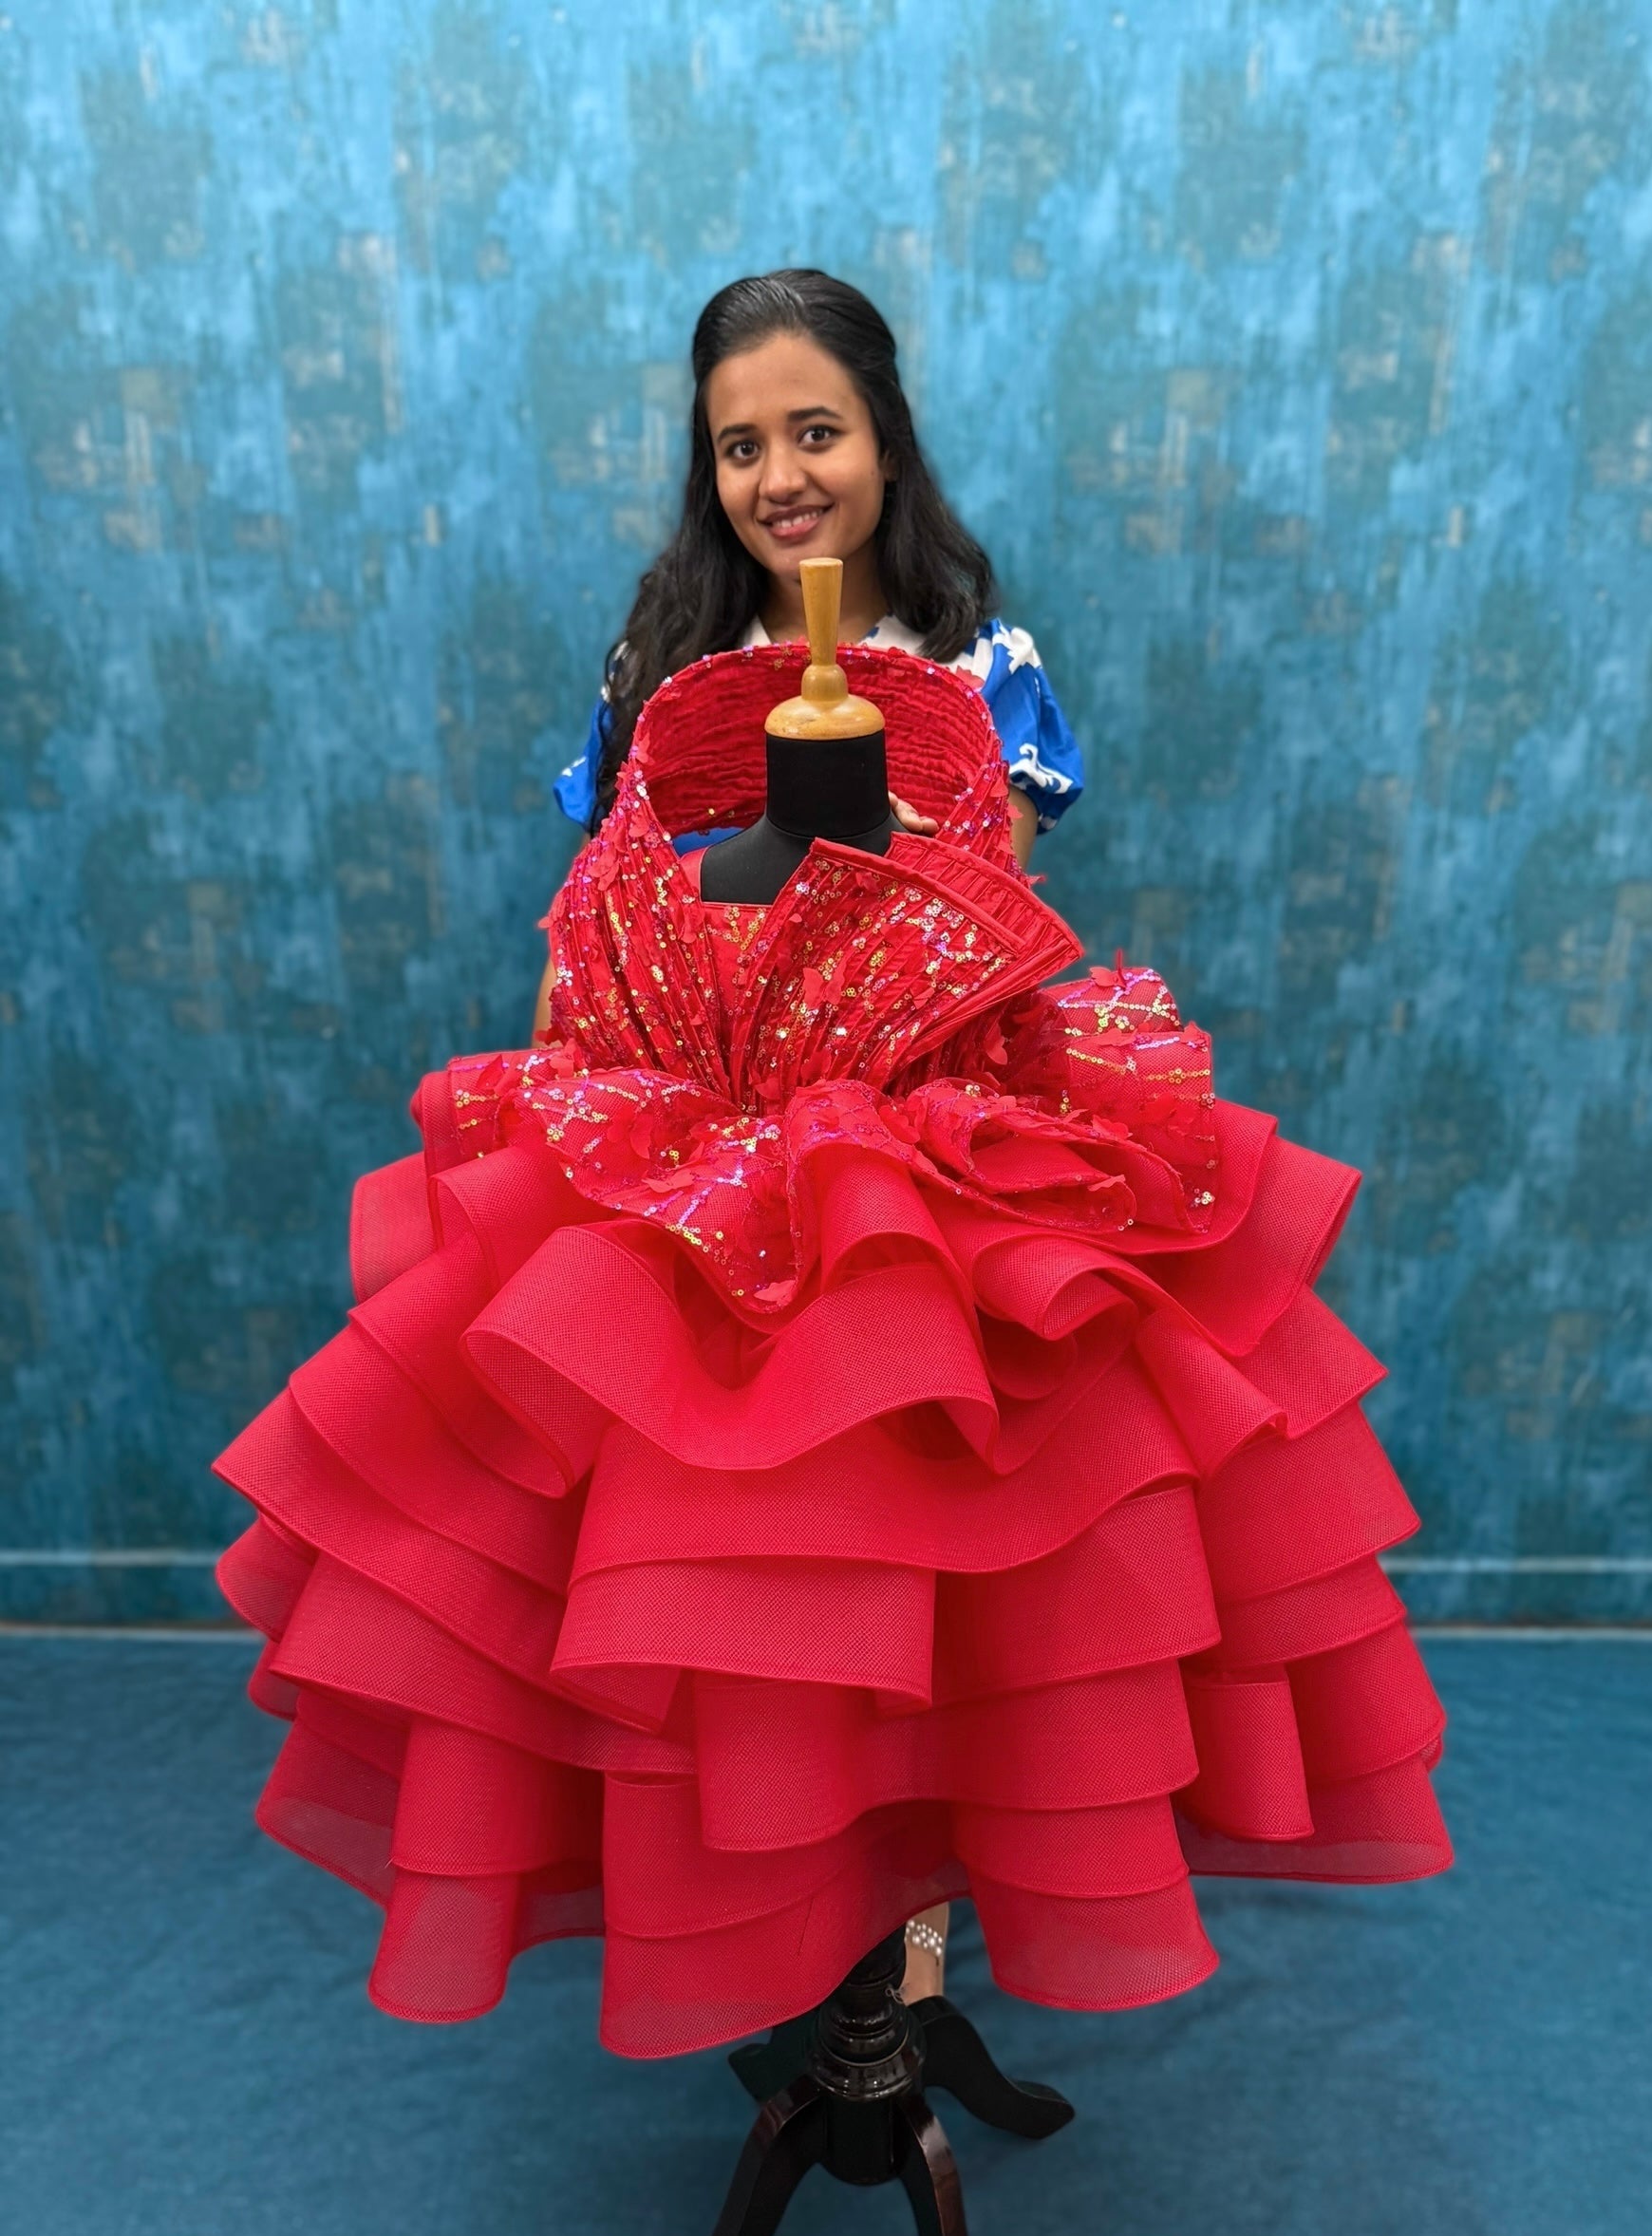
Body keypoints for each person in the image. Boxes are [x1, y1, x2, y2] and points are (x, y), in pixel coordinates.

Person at [212, 637, 1453, 2077]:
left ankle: (892, 1976)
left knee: (1012, 1641)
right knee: (734, 1657)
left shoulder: (966, 874)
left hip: (970, 1265)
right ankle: (813, 1972)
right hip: (674, 1262)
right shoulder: (646, 890)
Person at [533, 269, 1083, 1046]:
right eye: (743, 448)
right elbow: (583, 957)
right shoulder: (656, 672)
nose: (781, 481)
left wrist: (898, 864)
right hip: (666, 1107)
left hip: (901, 1119)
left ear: (888, 447)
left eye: (817, 433)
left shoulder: (981, 676)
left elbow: (965, 968)